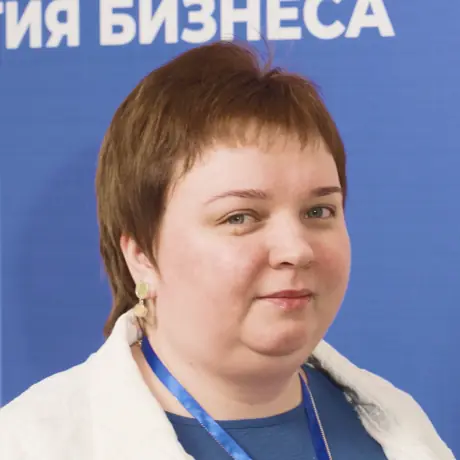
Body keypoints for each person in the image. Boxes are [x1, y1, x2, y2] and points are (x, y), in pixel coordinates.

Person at [0, 41, 454, 460]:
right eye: (240, 217)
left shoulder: (397, 426)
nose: (296, 250)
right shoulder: (32, 444)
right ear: (140, 255)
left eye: (318, 211)